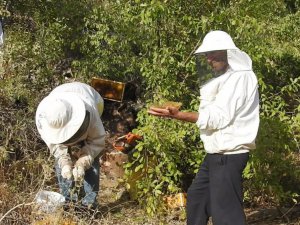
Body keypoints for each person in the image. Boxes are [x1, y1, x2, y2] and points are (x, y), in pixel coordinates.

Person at [148, 30, 259, 225]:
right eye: (206, 55)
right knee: (197, 198)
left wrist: (178, 115)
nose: (209, 60)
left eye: (213, 54)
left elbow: (217, 118)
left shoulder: (240, 78)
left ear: (227, 52)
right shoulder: (227, 78)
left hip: (229, 155)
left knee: (225, 214)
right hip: (216, 154)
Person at [35, 82, 106, 209]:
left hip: (93, 98)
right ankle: (68, 201)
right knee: (62, 166)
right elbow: (55, 146)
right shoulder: (45, 121)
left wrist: (83, 162)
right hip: (61, 95)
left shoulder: (91, 111)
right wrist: (65, 163)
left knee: (92, 161)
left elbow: (97, 141)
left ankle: (89, 204)